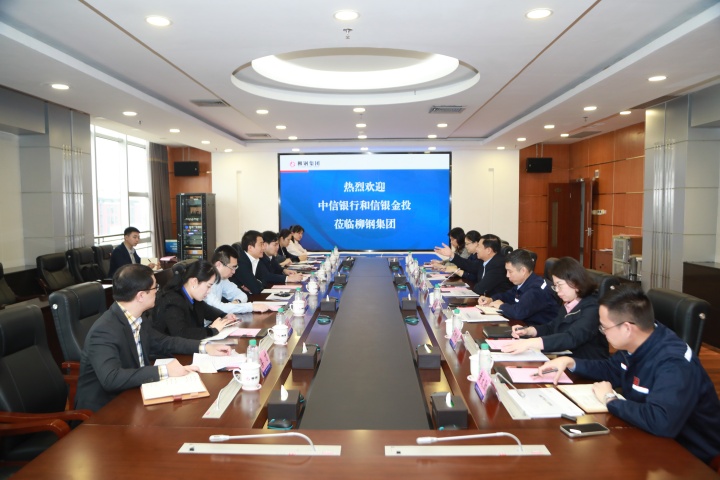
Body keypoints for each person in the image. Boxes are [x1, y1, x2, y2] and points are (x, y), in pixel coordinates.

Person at [538, 286, 720, 465]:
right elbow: (612, 369)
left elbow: (661, 421)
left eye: (604, 327)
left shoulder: (674, 363)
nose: (602, 332)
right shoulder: (638, 340)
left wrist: (610, 400)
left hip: (688, 455)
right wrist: (571, 362)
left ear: (627, 328)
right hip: (644, 435)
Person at [75, 264, 231, 412]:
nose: (158, 291)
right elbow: (111, 378)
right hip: (105, 411)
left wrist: (205, 347)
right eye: (155, 287)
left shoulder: (137, 318)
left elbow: (165, 342)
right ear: (141, 296)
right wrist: (165, 371)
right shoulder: (104, 330)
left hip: (134, 394)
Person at [501, 257, 608, 359]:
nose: (557, 291)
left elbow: (571, 338)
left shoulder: (593, 308)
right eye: (555, 286)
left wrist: (532, 343)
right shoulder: (569, 303)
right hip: (565, 360)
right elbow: (552, 328)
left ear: (575, 282)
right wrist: (529, 331)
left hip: (586, 366)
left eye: (560, 285)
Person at [152, 259, 235, 340]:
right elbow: (181, 333)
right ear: (194, 282)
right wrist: (212, 330)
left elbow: (207, 310)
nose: (209, 291)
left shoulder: (192, 297)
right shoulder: (173, 301)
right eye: (208, 286)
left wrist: (224, 315)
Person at [479, 248, 556, 325]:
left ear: (523, 271)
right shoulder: (525, 282)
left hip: (538, 329)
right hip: (524, 326)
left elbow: (519, 312)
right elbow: (507, 296)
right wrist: (491, 299)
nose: (507, 275)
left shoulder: (536, 289)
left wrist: (501, 306)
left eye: (510, 271)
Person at [206, 245, 269, 315]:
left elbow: (242, 295)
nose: (234, 272)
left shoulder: (222, 279)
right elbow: (218, 308)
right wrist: (251, 307)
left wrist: (236, 302)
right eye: (232, 267)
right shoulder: (205, 281)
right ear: (218, 265)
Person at [229, 230, 267, 294]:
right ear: (250, 248)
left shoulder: (257, 259)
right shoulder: (241, 262)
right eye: (261, 244)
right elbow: (256, 289)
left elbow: (265, 279)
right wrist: (256, 283)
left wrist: (257, 283)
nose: (263, 248)